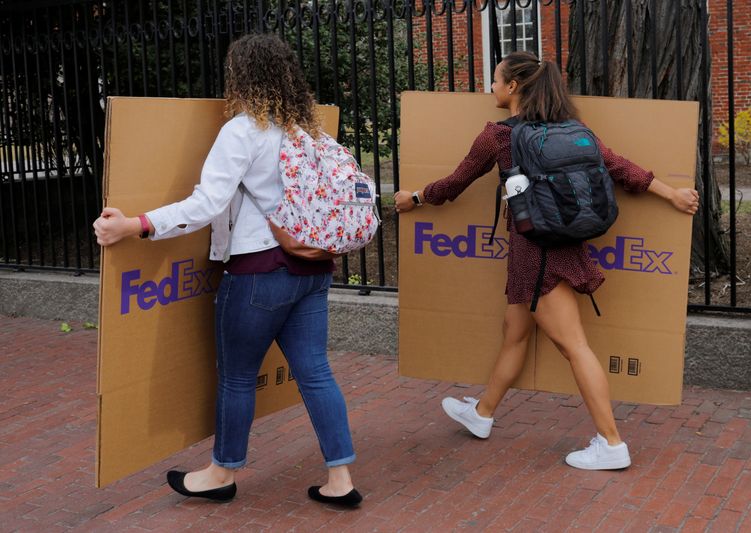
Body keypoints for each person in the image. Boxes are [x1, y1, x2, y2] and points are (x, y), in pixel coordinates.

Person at [394, 51, 699, 470]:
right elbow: (618, 166)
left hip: (536, 255)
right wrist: (671, 192)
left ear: (513, 87)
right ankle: (482, 413)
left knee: (574, 346)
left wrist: (413, 198)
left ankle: (611, 444)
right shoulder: (571, 129)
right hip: (553, 244)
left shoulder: (499, 136)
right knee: (515, 332)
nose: (491, 88)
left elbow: (455, 183)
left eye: (496, 80)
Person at [93, 33, 362, 506]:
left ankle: (221, 472)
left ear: (240, 76)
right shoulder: (311, 132)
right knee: (316, 373)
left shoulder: (243, 130)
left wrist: (137, 224)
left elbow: (207, 203)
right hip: (313, 269)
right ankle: (341, 479)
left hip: (259, 273)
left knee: (237, 377)